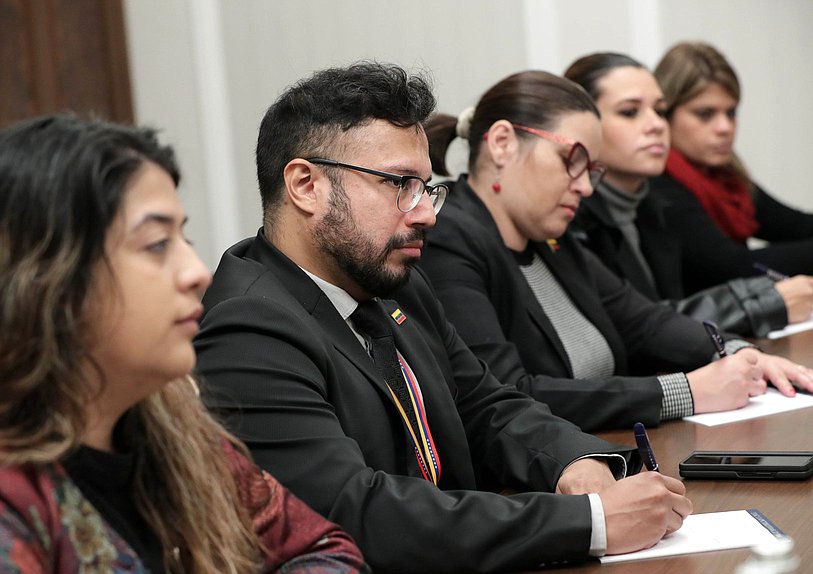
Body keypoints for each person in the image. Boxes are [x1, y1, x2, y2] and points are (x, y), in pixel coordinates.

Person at [193, 62, 694, 573]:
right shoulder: (248, 328)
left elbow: (486, 403)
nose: (427, 214)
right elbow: (356, 512)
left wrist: (574, 460)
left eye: (427, 187)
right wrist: (590, 522)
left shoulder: (392, 283)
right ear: (305, 185)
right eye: (400, 185)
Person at [0, 115, 367, 573]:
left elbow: (325, 547)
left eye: (184, 238)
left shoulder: (177, 430)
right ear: (47, 279)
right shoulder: (14, 494)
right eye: (156, 244)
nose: (197, 271)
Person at [421, 70, 813, 434]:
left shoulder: (551, 238)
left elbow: (644, 321)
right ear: (502, 143)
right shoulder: (449, 240)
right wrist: (685, 391)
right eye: (571, 160)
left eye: (591, 170)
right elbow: (508, 395)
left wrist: (738, 352)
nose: (586, 188)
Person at [564, 52, 813, 338]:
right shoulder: (576, 217)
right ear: (582, 126)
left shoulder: (650, 205)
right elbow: (637, 330)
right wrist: (766, 303)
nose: (657, 125)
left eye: (659, 110)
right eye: (630, 112)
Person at [651, 41, 813, 294]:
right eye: (705, 114)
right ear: (665, 115)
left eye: (731, 113)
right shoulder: (657, 181)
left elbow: (796, 225)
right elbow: (729, 267)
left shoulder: (726, 177)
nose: (725, 127)